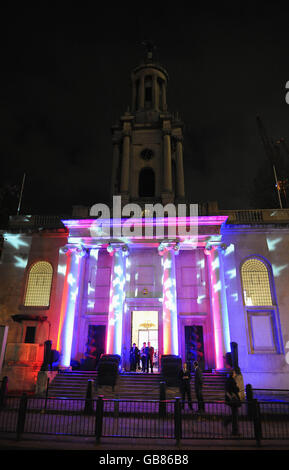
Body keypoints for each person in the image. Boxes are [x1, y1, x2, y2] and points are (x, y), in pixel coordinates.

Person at [224, 369, 241, 436]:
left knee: (235, 414)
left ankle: (227, 421)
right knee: (235, 415)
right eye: (234, 373)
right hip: (233, 400)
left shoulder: (229, 380)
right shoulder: (232, 381)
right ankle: (235, 431)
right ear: (233, 374)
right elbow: (235, 389)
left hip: (231, 400)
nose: (235, 374)